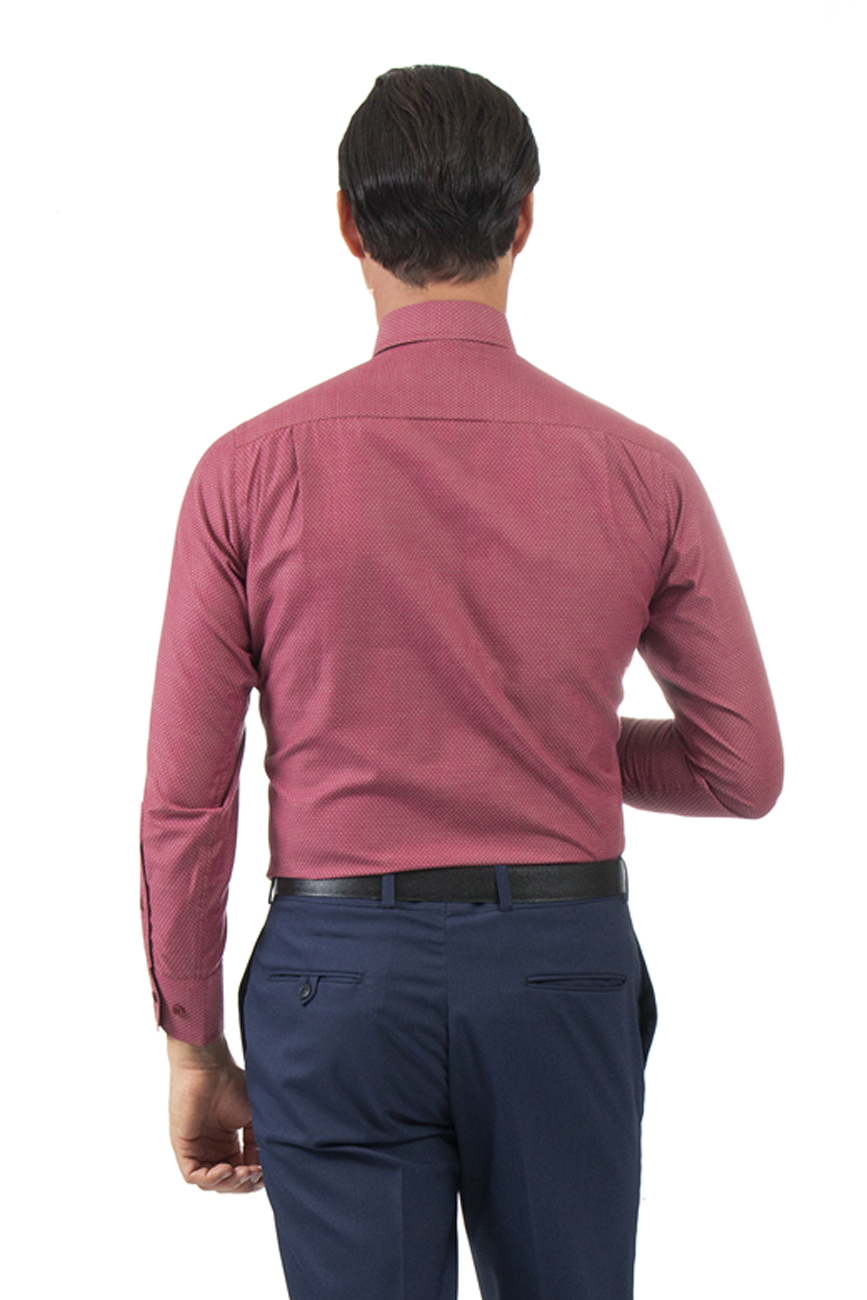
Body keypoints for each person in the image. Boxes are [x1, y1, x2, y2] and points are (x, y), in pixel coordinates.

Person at [141, 65, 783, 1300]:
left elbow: (188, 799)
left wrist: (192, 1040)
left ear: (348, 225)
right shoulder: (642, 470)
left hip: (335, 979)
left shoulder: (244, 472)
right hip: (560, 966)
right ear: (525, 219)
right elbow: (740, 770)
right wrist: (546, 737)